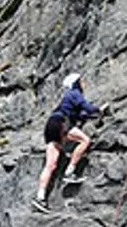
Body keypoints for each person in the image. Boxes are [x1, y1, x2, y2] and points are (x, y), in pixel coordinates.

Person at [32, 72, 105, 213]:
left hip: (50, 125)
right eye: (81, 81)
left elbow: (83, 115)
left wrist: (91, 114)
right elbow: (87, 108)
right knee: (85, 140)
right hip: (61, 123)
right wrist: (99, 110)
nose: (84, 84)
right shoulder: (74, 93)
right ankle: (70, 171)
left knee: (51, 165)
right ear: (76, 83)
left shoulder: (67, 99)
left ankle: (40, 197)